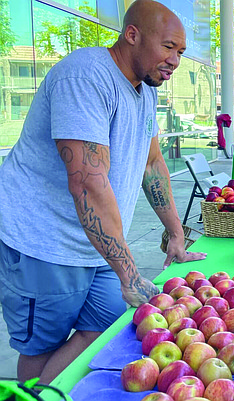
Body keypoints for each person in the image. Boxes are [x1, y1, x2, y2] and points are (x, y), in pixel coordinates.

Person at [0, 0, 206, 383]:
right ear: (132, 35)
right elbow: (87, 181)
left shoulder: (145, 92)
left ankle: (50, 391)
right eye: (168, 47)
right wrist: (128, 273)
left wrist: (175, 233)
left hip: (99, 247)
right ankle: (34, 392)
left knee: (106, 327)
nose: (175, 61)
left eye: (180, 52)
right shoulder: (86, 76)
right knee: (40, 348)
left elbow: (152, 163)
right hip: (43, 246)